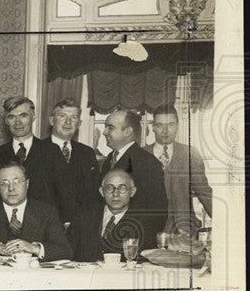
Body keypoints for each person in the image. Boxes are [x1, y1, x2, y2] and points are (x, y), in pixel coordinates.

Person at [0, 96, 76, 223]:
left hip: (44, 225)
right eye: (12, 117)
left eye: (23, 116)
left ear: (33, 117)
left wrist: (65, 224)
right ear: (6, 121)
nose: (18, 123)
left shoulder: (51, 151)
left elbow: (66, 194)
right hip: (7, 224)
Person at [0, 161, 72, 261]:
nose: (11, 188)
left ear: (27, 184)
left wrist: (34, 248)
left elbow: (65, 251)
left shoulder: (47, 212)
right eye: (4, 183)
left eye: (17, 182)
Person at [146, 105, 213, 235]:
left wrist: (227, 222)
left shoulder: (190, 154)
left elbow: (204, 193)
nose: (165, 131)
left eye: (170, 125)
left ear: (177, 126)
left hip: (184, 231)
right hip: (150, 231)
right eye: (160, 125)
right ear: (153, 127)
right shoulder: (141, 155)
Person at [102, 109, 168, 232]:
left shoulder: (147, 162)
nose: (104, 132)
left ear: (127, 131)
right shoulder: (109, 160)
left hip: (132, 237)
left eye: (110, 128)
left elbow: (158, 211)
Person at [69, 169, 154, 262]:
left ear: (132, 191)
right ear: (102, 191)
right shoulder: (83, 217)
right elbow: (67, 252)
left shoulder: (144, 223)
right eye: (109, 188)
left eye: (122, 188)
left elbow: (145, 260)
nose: (115, 194)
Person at [47, 98, 102, 211]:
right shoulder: (37, 150)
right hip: (46, 219)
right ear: (52, 120)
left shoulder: (87, 153)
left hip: (81, 219)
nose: (68, 122)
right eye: (62, 116)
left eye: (74, 117)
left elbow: (95, 194)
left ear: (79, 124)